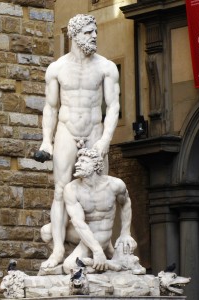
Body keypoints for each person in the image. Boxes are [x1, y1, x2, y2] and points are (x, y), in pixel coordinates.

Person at [35, 14, 120, 271]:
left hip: (94, 131)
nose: (94, 36)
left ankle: (103, 248)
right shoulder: (57, 68)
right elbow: (50, 108)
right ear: (73, 34)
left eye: (95, 32)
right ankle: (59, 249)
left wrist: (105, 140)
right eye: (88, 32)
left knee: (99, 190)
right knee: (61, 190)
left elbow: (114, 106)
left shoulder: (106, 67)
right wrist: (46, 141)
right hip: (66, 131)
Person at [62, 148, 137, 274]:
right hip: (83, 231)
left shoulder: (115, 185)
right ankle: (104, 261)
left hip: (100, 233)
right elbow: (78, 222)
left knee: (69, 266)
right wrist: (97, 250)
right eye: (78, 161)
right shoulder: (71, 189)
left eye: (83, 161)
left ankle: (101, 262)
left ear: (96, 165)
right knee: (47, 232)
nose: (77, 164)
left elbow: (126, 203)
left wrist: (125, 233)